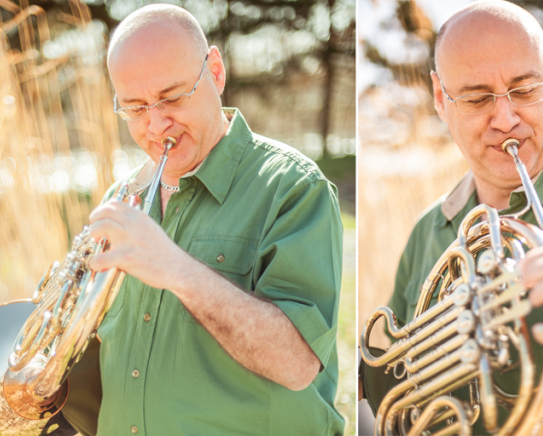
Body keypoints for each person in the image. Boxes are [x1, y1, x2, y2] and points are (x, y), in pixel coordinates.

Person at [364, 1, 543, 435]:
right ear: (441, 99)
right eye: (477, 98)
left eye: (525, 89)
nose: (507, 118)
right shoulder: (428, 231)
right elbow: (406, 402)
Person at [59, 4, 344, 435]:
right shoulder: (122, 198)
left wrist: (174, 268)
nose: (156, 125)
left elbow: (298, 363)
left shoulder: (293, 188)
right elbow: (105, 358)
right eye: (135, 108)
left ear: (214, 71)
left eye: (171, 97)